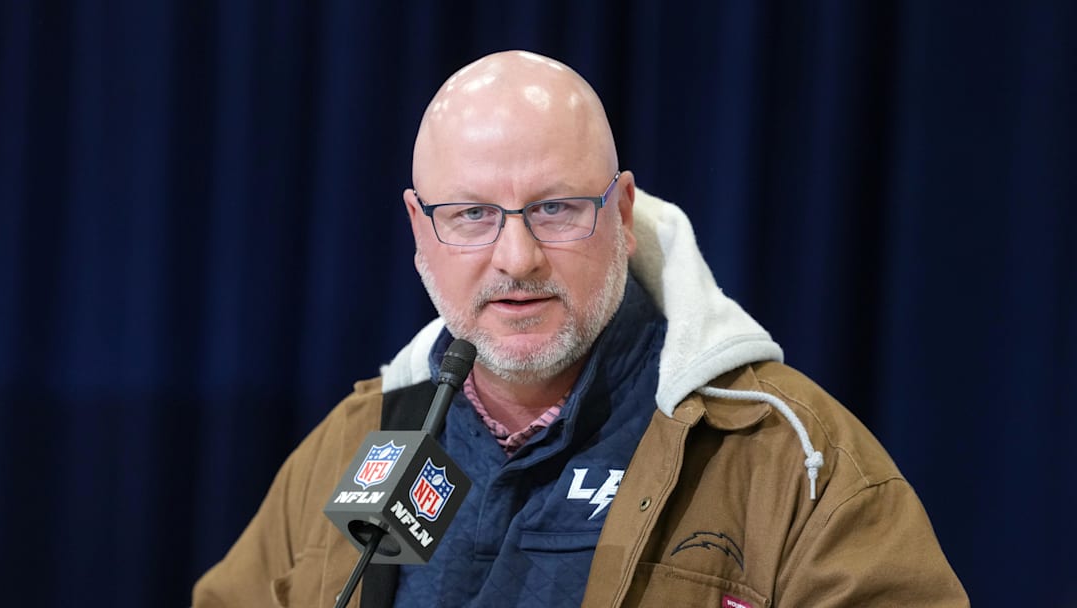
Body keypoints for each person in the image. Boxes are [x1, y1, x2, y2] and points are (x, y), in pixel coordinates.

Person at [193, 50, 968, 607]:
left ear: (622, 214)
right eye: (471, 215)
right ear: (419, 229)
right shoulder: (358, 442)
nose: (518, 258)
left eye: (556, 208)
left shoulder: (787, 455)